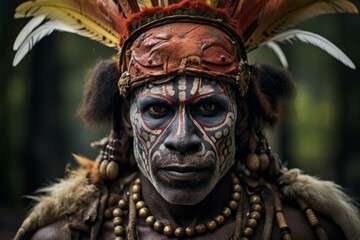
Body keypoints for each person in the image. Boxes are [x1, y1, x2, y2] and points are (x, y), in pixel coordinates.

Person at [13, 0, 360, 239]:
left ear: (240, 118)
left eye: (208, 109)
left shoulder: (308, 231)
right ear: (127, 118)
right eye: (157, 110)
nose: (182, 138)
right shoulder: (68, 234)